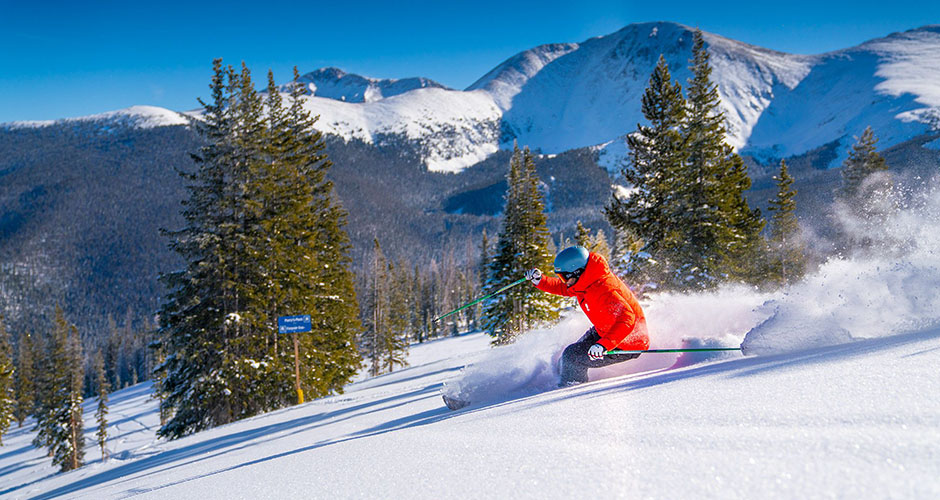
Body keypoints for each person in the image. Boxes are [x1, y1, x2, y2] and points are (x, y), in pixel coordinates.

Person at [525, 246, 649, 386]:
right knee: (567, 357)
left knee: (572, 358)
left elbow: (627, 319)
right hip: (605, 330)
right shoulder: (586, 281)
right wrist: (540, 281)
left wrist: (604, 345)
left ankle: (572, 391)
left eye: (564, 276)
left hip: (626, 341)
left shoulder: (606, 290)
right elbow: (564, 288)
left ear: (577, 272)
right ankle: (560, 376)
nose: (564, 281)